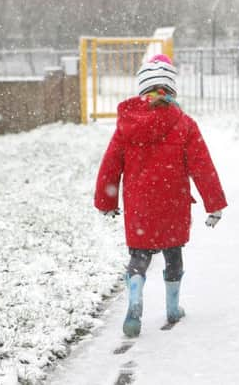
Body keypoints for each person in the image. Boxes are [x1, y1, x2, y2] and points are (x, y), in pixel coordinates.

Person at [94, 54, 227, 338]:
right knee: (173, 253)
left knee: (139, 255)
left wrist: (107, 202)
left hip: (139, 202)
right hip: (173, 200)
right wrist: (213, 205)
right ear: (171, 89)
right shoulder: (185, 124)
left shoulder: (126, 124)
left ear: (142, 89)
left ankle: (135, 293)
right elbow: (203, 167)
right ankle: (172, 308)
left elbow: (111, 164)